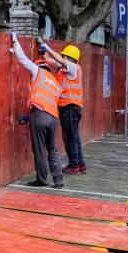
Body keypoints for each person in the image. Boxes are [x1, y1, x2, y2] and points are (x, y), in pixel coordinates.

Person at [9, 33, 64, 189]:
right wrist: (28, 115)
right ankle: (58, 180)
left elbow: (22, 58)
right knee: (52, 149)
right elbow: (46, 100)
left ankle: (41, 179)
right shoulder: (54, 82)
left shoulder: (37, 71)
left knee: (39, 149)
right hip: (53, 118)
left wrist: (15, 40)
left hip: (39, 117)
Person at [43, 41, 86, 174]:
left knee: (70, 138)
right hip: (72, 108)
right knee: (75, 137)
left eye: (65, 56)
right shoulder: (64, 69)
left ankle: (74, 165)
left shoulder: (74, 67)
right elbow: (50, 60)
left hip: (70, 108)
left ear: (70, 58)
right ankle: (80, 164)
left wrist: (48, 48)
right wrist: (43, 50)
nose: (63, 58)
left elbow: (58, 59)